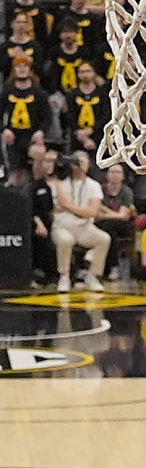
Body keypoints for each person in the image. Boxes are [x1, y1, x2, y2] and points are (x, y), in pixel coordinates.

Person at [51, 150, 110, 293]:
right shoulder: (60, 183)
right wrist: (80, 210)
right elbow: (63, 202)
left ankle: (92, 276)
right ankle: (64, 276)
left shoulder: (94, 185)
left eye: (83, 162)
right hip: (62, 226)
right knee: (66, 240)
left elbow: (93, 212)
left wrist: (69, 208)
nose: (80, 165)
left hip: (84, 228)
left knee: (104, 239)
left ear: (89, 165)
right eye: (77, 161)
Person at [1, 55, 51, 183]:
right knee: (15, 171)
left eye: (25, 66)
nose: (22, 69)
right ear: (14, 69)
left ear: (30, 70)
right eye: (18, 66)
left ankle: (38, 187)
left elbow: (47, 117)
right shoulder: (7, 92)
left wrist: (41, 131)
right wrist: (4, 130)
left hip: (32, 136)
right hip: (13, 137)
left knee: (39, 155)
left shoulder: (39, 93)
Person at [95, 162, 137, 280]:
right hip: (104, 225)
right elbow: (96, 213)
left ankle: (108, 267)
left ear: (123, 176)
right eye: (112, 172)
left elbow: (123, 216)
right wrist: (115, 214)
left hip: (122, 226)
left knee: (108, 227)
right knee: (108, 229)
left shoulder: (126, 191)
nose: (115, 175)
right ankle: (112, 267)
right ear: (107, 175)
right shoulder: (100, 190)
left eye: (118, 172)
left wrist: (105, 211)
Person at [65, 60, 110, 156]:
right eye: (82, 72)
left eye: (88, 71)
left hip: (99, 135)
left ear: (94, 73)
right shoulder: (72, 95)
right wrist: (81, 135)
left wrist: (92, 130)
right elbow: (70, 116)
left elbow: (106, 115)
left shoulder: (102, 94)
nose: (85, 74)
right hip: (78, 136)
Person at [29, 143, 58, 283]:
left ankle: (53, 274)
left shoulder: (45, 185)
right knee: (41, 238)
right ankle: (42, 274)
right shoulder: (29, 184)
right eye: (41, 162)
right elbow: (30, 208)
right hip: (34, 223)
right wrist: (39, 223)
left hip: (48, 222)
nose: (45, 166)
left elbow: (50, 209)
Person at [1, 11, 40, 79]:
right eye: (18, 22)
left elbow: (40, 69)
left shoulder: (35, 46)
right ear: (12, 24)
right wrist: (10, 56)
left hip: (31, 84)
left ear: (28, 25)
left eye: (24, 22)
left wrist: (27, 59)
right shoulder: (4, 46)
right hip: (9, 85)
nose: (21, 25)